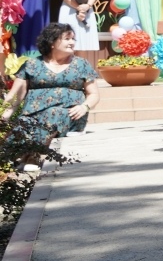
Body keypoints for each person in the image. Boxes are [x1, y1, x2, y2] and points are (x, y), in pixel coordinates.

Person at [3, 23, 100, 169]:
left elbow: (94, 94)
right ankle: (11, 157)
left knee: (52, 113)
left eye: (73, 39)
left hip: (69, 113)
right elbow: (17, 96)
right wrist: (6, 115)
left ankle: (34, 156)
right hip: (34, 114)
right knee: (24, 123)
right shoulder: (32, 65)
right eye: (67, 39)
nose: (72, 42)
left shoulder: (81, 64)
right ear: (52, 42)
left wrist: (84, 107)